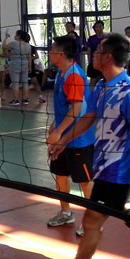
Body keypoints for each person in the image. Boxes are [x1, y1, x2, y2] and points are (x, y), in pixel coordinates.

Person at [39, 33, 130, 259]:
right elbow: (88, 118)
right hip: (105, 167)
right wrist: (63, 141)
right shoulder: (102, 86)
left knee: (91, 223)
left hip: (117, 169)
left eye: (97, 50)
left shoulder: (129, 91)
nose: (92, 53)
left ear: (107, 57)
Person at [45, 36, 95, 237]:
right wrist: (55, 125)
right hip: (63, 136)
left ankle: (93, 221)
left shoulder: (74, 75)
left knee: (84, 180)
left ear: (60, 54)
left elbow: (76, 109)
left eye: (51, 49)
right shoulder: (61, 72)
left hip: (78, 138)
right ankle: (66, 213)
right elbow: (65, 105)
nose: (49, 53)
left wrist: (59, 132)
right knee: (60, 174)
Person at [6, 30, 32, 105]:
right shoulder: (28, 45)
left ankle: (15, 100)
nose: (14, 36)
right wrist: (30, 67)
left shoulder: (14, 43)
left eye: (16, 35)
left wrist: (5, 38)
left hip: (15, 65)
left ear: (19, 36)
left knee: (15, 83)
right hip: (24, 65)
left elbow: (3, 47)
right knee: (25, 82)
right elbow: (29, 57)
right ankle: (25, 99)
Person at [85, 20, 106, 90]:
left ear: (103, 27)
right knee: (93, 80)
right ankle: (91, 94)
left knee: (105, 80)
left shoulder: (107, 38)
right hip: (94, 62)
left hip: (104, 63)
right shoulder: (91, 39)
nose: (98, 28)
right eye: (96, 27)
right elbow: (89, 51)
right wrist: (90, 62)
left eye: (100, 27)